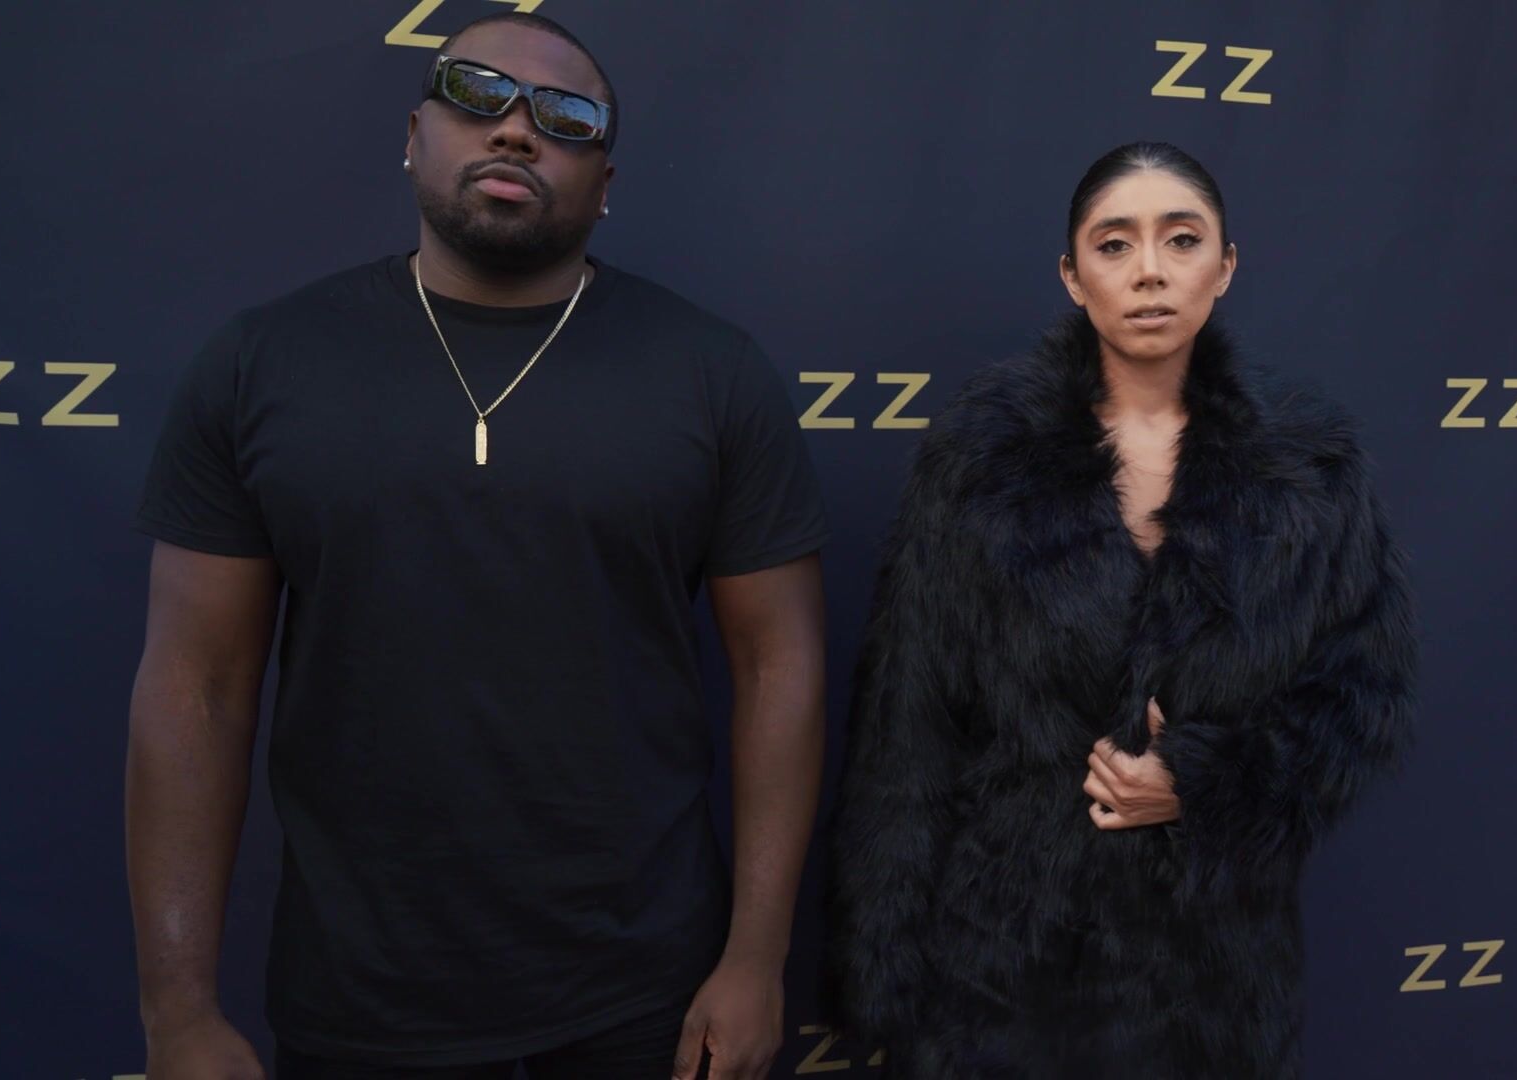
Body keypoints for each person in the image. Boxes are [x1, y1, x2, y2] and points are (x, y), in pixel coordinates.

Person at [125, 13, 827, 1080]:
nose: (515, 129)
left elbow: (779, 667)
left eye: (565, 116)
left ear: (605, 183)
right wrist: (176, 1009)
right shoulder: (261, 363)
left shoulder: (713, 374)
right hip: (360, 1001)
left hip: (649, 999)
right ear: (415, 134)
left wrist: (756, 958)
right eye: (476, 94)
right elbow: (196, 687)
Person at [824, 142, 1418, 1078]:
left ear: (1225, 265)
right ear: (1073, 275)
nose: (1149, 270)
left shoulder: (1312, 466)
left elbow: (1365, 698)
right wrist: (885, 967)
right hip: (999, 972)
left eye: (1181, 239)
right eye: (1114, 244)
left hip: (1214, 980)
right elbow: (908, 721)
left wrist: (1205, 784)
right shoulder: (980, 459)